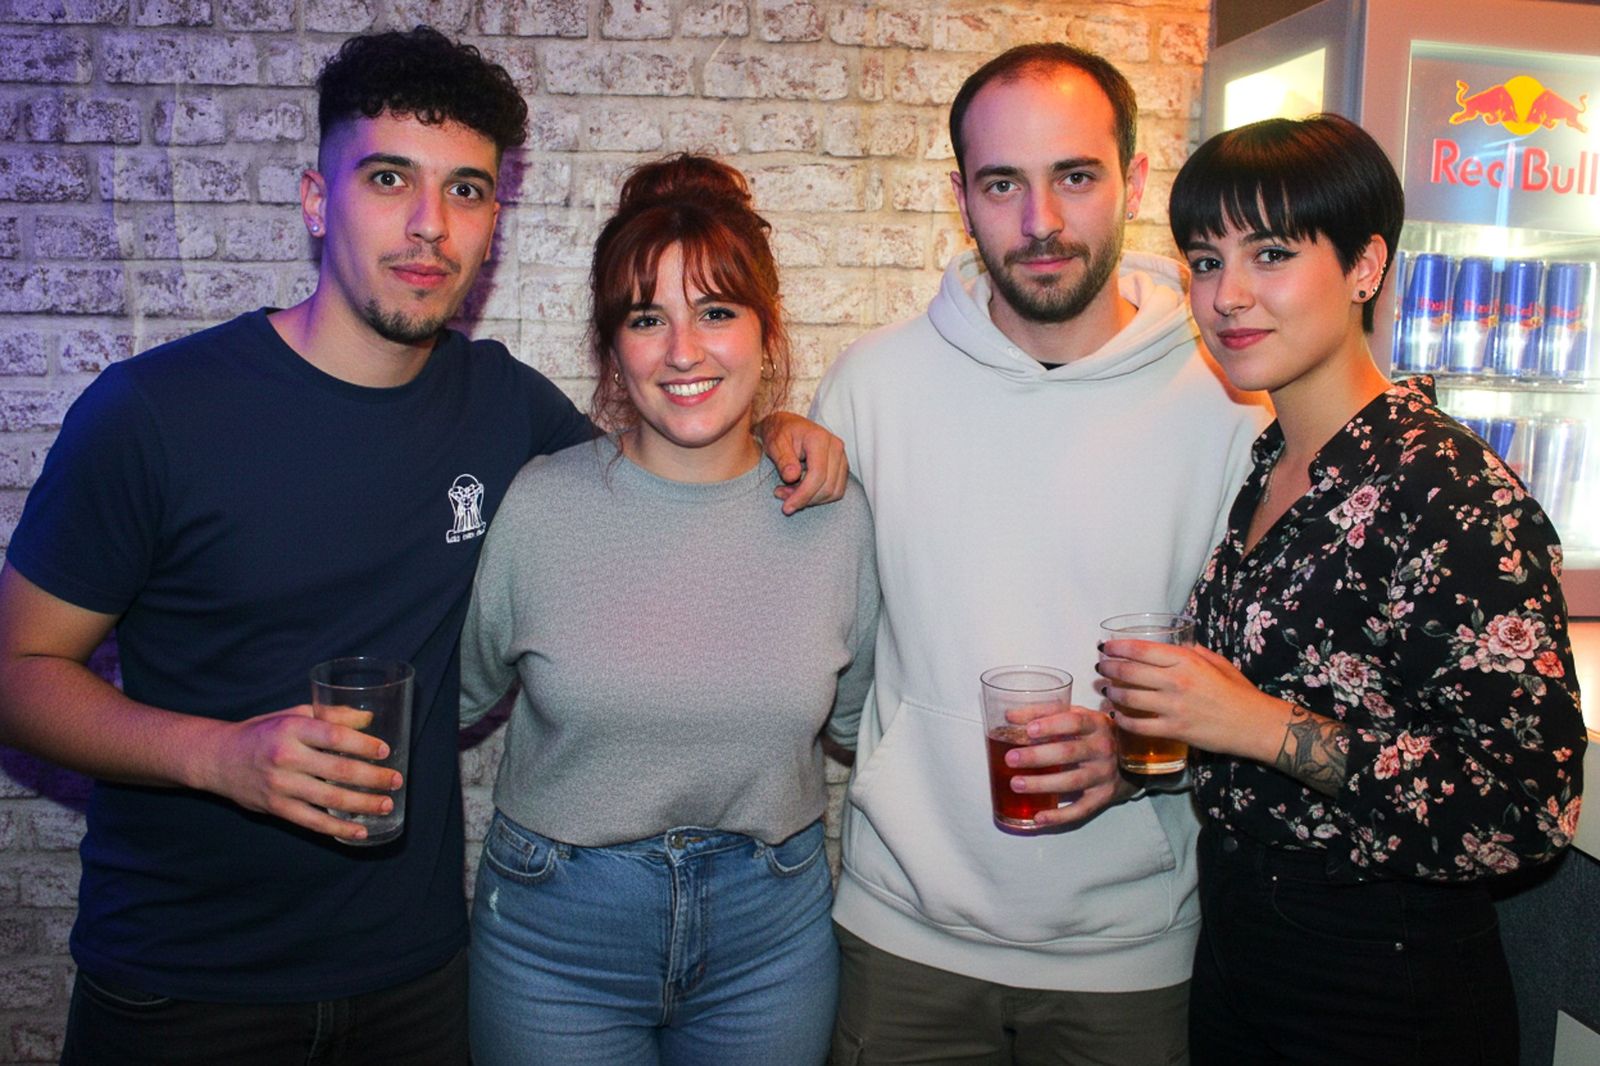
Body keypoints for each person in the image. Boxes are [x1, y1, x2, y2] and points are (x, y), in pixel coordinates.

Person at [0, 29, 844, 1066]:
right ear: (318, 198)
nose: (428, 225)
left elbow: (665, 469)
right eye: (389, 176)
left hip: (414, 978)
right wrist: (217, 756)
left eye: (468, 191)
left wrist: (778, 436)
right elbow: (18, 670)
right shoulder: (154, 412)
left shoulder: (501, 407)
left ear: (494, 220)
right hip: (183, 983)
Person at [809, 43, 1267, 1064]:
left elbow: (1261, 682)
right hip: (901, 939)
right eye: (1003, 183)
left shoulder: (1230, 407)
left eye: (1075, 176)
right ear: (959, 197)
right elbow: (830, 641)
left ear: (1134, 182)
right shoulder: (871, 386)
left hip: (1134, 955)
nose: (1041, 222)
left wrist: (1150, 750)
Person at [1101, 113, 1587, 1065]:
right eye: (1205, 261)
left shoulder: (1448, 492)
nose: (1228, 296)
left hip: (1381, 981)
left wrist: (1255, 725)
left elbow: (1525, 812)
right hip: (1245, 949)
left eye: (1271, 253)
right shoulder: (1277, 457)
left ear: (1366, 266)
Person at [458, 153, 879, 1066]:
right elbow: (452, 697)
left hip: (769, 942)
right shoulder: (541, 504)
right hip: (553, 943)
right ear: (613, 347)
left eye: (717, 312)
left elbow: (862, 723)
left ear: (768, 335)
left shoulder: (833, 514)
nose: (684, 351)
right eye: (649, 319)